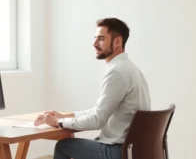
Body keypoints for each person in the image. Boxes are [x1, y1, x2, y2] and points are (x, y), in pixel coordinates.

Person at [34, 17, 151, 159]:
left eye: (101, 39)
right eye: (95, 38)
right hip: (136, 149)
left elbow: (97, 120)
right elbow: (99, 111)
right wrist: (64, 116)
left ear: (117, 41)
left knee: (64, 146)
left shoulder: (117, 72)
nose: (94, 43)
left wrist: (58, 122)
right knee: (89, 143)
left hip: (120, 151)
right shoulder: (131, 69)